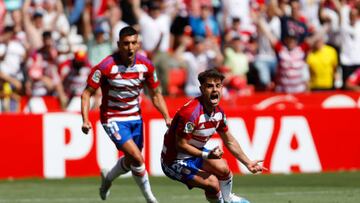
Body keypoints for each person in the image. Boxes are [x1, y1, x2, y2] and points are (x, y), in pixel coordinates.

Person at [81, 26, 171, 203]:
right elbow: (86, 93)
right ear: (118, 45)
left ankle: (107, 179)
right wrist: (85, 120)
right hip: (112, 118)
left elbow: (156, 94)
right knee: (138, 158)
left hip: (135, 117)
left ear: (138, 44)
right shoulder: (106, 66)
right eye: (126, 43)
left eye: (133, 43)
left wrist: (166, 116)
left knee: (131, 161)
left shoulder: (146, 66)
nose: (130, 47)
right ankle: (150, 199)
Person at [161, 69, 265, 203]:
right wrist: (206, 155)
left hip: (194, 155)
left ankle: (227, 200)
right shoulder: (191, 113)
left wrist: (248, 163)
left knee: (224, 168)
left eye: (218, 86)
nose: (214, 90)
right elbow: (180, 145)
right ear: (202, 89)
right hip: (173, 161)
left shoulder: (219, 113)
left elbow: (229, 140)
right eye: (209, 86)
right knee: (213, 184)